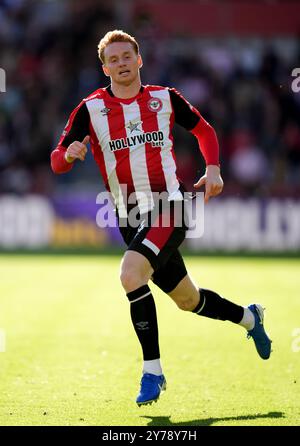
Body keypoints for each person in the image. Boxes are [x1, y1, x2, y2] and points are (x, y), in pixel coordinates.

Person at [51, 30, 272, 406]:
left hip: (170, 205)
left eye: (127, 56)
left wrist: (214, 168)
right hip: (129, 215)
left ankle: (152, 372)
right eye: (113, 59)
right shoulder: (90, 109)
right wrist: (69, 154)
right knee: (188, 299)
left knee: (130, 274)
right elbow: (57, 161)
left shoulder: (164, 98)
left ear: (139, 60)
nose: (121, 63)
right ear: (104, 68)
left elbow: (204, 130)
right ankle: (250, 318)